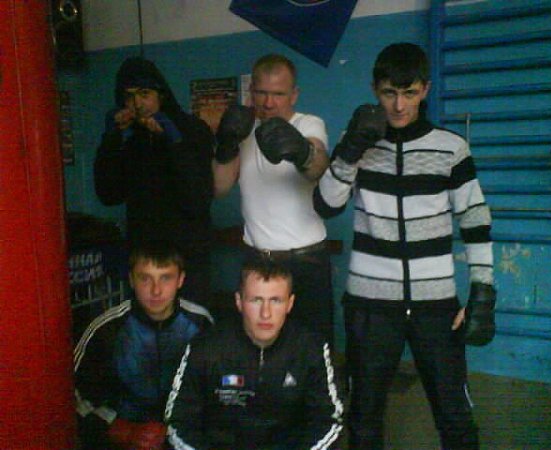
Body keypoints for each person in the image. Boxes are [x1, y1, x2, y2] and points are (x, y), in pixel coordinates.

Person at [314, 43, 496, 450]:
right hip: (370, 305)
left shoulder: (451, 148)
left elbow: (475, 218)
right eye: (389, 93)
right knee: (363, 417)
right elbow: (326, 205)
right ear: (375, 89)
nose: (398, 105)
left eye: (409, 93)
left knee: (455, 415)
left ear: (425, 89)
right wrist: (349, 152)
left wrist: (482, 290)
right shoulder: (355, 141)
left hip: (436, 305)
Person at [211, 53, 334, 344]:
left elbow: (317, 167)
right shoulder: (243, 131)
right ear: (251, 91)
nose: (268, 103)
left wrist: (302, 152)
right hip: (256, 260)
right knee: (257, 345)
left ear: (294, 95)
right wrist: (226, 146)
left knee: (314, 346)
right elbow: (219, 188)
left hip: (306, 260)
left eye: (278, 94)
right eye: (262, 93)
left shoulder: (308, 124)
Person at [165, 256, 343, 449]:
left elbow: (329, 422)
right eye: (256, 300)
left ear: (290, 303)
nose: (266, 313)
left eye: (276, 300)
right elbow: (178, 423)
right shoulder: (206, 348)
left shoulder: (311, 349)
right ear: (239, 302)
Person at [94, 56, 214, 306]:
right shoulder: (130, 138)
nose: (137, 104)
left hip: (188, 255)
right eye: (129, 96)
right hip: (144, 257)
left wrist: (174, 143)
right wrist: (110, 140)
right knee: (144, 325)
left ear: (161, 94)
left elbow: (198, 198)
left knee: (191, 323)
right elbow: (108, 195)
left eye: (144, 93)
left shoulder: (191, 129)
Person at [74, 242, 214, 449]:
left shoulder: (200, 323)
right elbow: (72, 393)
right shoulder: (107, 328)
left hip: (184, 434)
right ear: (131, 280)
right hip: (122, 435)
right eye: (145, 278)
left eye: (165, 278)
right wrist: (119, 429)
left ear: (180, 280)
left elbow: (215, 389)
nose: (156, 290)